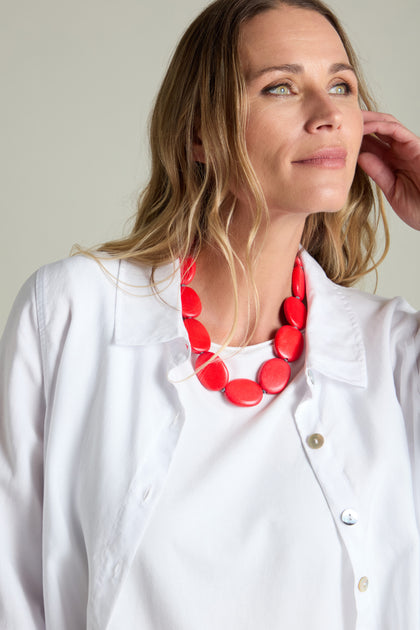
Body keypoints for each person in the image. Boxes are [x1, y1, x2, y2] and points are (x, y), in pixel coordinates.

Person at [0, 0, 419, 628]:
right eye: (281, 86)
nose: (329, 114)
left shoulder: (391, 349)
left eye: (341, 85)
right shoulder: (71, 311)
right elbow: (12, 583)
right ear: (200, 134)